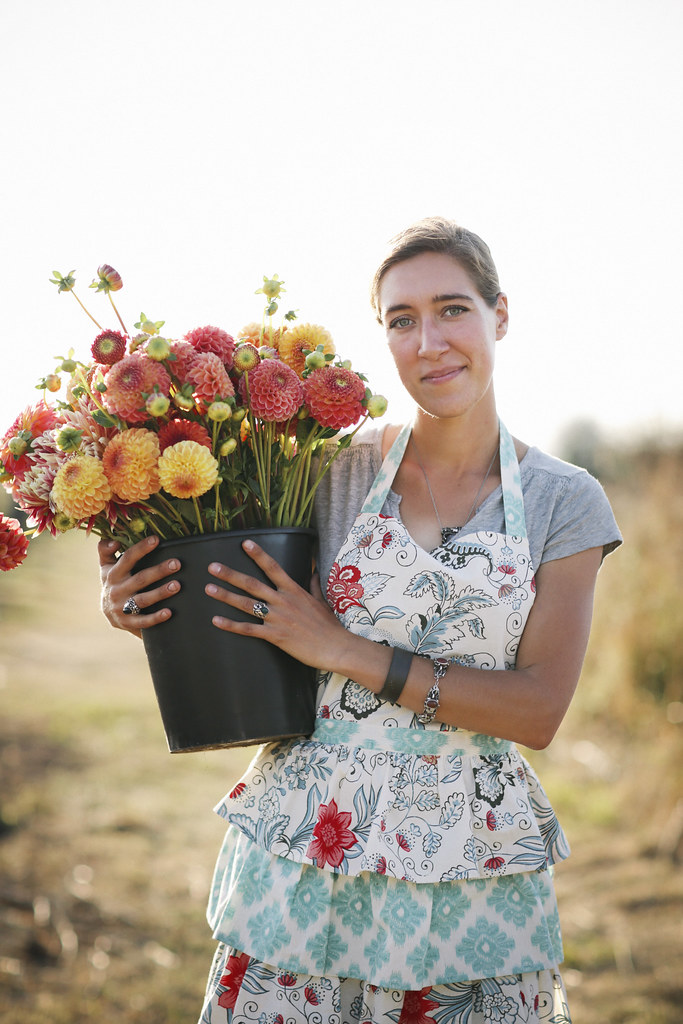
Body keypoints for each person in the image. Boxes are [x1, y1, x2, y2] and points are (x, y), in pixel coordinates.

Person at [99, 217, 622, 1024]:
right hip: (310, 844)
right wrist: (142, 599)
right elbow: (235, 591)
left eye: (452, 309)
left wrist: (343, 648)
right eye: (401, 320)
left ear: (500, 315)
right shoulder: (329, 471)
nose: (429, 342)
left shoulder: (564, 500)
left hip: (468, 859)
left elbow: (538, 709)